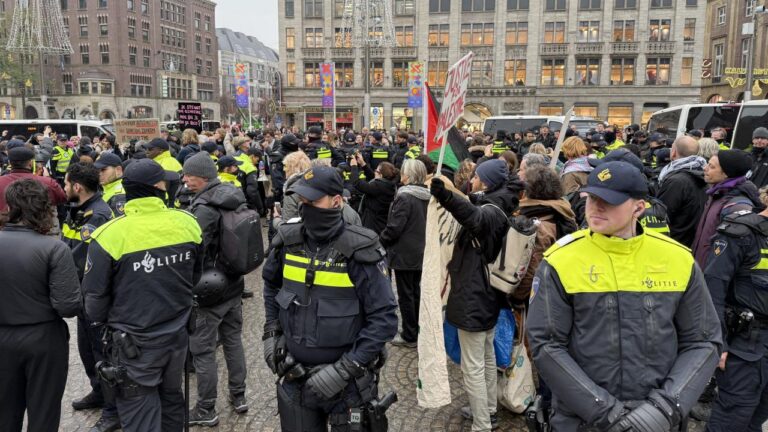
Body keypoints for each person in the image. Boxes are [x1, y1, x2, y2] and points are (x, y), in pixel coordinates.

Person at [527, 160, 722, 431]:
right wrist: (604, 412)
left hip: (657, 422)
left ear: (639, 207)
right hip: (584, 422)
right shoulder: (561, 260)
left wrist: (664, 409)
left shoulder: (677, 258)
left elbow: (703, 341)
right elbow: (546, 345)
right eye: (592, 198)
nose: (596, 207)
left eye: (610, 201)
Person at [262, 165, 398, 431]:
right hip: (295, 374)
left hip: (347, 387)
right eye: (301, 201)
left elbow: (384, 319)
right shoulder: (288, 241)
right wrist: (271, 333)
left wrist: (346, 369)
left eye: (312, 201)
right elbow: (270, 287)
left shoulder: (361, 249)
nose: (304, 207)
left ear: (337, 201)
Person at [81, 159, 204, 432]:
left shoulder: (109, 235)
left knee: (139, 410)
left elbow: (95, 300)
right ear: (159, 187)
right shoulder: (188, 224)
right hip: (177, 336)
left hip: (134, 343)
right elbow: (196, 276)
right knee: (172, 398)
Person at [429, 159, 518, 431]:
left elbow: (474, 218)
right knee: (487, 356)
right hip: (487, 295)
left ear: (486, 181)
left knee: (474, 367)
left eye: (477, 177)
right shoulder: (499, 200)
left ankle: (481, 424)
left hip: (474, 297)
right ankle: (488, 409)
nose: (474, 180)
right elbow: (473, 203)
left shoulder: (490, 212)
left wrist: (444, 195)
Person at [0, 179, 82, 432]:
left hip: (3, 337)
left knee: (4, 412)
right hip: (44, 338)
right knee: (44, 411)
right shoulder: (54, 249)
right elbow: (68, 305)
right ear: (45, 207)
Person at [181, 153, 250, 426]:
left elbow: (194, 248)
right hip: (233, 283)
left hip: (210, 288)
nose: (185, 179)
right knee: (233, 340)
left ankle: (206, 409)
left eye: (190, 175)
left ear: (205, 176)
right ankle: (239, 395)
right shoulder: (232, 195)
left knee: (203, 351)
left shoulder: (205, 208)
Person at [61, 163, 120, 432]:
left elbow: (83, 260)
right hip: (82, 295)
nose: (63, 188)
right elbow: (66, 246)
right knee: (87, 352)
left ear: (77, 187)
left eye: (65, 183)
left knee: (102, 354)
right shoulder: (79, 210)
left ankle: (113, 410)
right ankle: (98, 392)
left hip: (95, 296)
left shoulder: (98, 214)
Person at [704, 186, 768, 432]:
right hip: (744, 343)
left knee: (758, 418)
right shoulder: (740, 233)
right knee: (732, 418)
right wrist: (719, 343)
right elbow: (712, 292)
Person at [379, 159, 430, 348]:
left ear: (409, 175)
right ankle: (417, 329)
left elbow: (394, 227)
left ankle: (410, 335)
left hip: (404, 253)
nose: (401, 174)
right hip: (420, 251)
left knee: (406, 295)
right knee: (416, 292)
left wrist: (380, 241)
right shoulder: (427, 194)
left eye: (404, 172)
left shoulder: (405, 196)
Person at [692, 149, 762, 267]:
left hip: (711, 275)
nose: (705, 168)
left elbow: (729, 256)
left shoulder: (737, 205)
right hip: (700, 270)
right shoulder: (717, 193)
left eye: (712, 167)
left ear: (726, 173)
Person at [656, 136, 708, 247]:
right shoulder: (702, 173)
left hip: (674, 241)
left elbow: (661, 215)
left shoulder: (676, 181)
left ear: (673, 152)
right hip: (691, 240)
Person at [0, 146, 66, 211]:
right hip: (37, 221)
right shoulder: (47, 182)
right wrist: (47, 178)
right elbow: (62, 198)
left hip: (5, 220)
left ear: (9, 163)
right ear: (30, 163)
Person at [351, 155, 398, 235]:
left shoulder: (379, 187)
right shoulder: (388, 184)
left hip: (373, 227)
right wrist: (363, 164)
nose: (374, 171)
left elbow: (357, 183)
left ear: (381, 175)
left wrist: (354, 166)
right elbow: (373, 177)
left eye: (376, 170)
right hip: (381, 224)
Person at [146, 138, 183, 207]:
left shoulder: (160, 165)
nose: (147, 151)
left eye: (150, 149)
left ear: (160, 150)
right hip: (178, 200)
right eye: (146, 148)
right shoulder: (173, 160)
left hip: (168, 204)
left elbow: (162, 189)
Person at [95, 153, 127, 217]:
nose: (99, 173)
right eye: (97, 170)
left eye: (103, 169)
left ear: (118, 170)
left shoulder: (120, 196)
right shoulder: (104, 188)